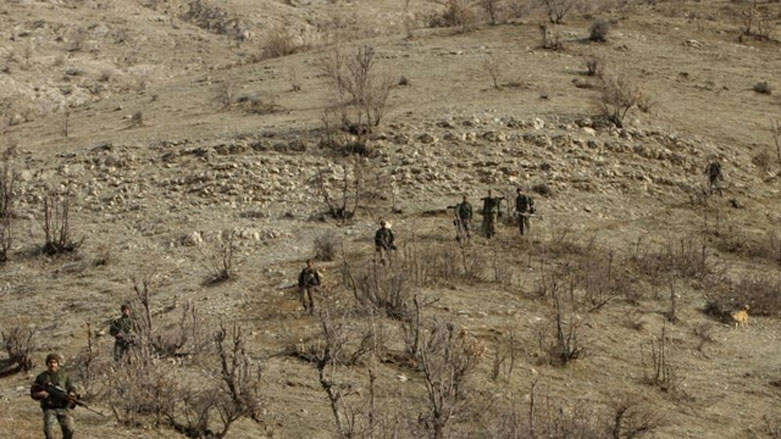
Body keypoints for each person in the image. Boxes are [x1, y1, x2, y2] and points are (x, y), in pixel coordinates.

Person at [30, 353, 77, 439]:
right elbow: (33, 392)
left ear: (58, 364)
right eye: (50, 362)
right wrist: (40, 394)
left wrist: (72, 394)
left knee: (69, 430)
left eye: (55, 362)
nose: (52, 364)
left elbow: (71, 387)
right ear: (47, 364)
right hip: (49, 408)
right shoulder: (41, 377)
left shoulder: (64, 375)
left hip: (63, 407)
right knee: (49, 434)